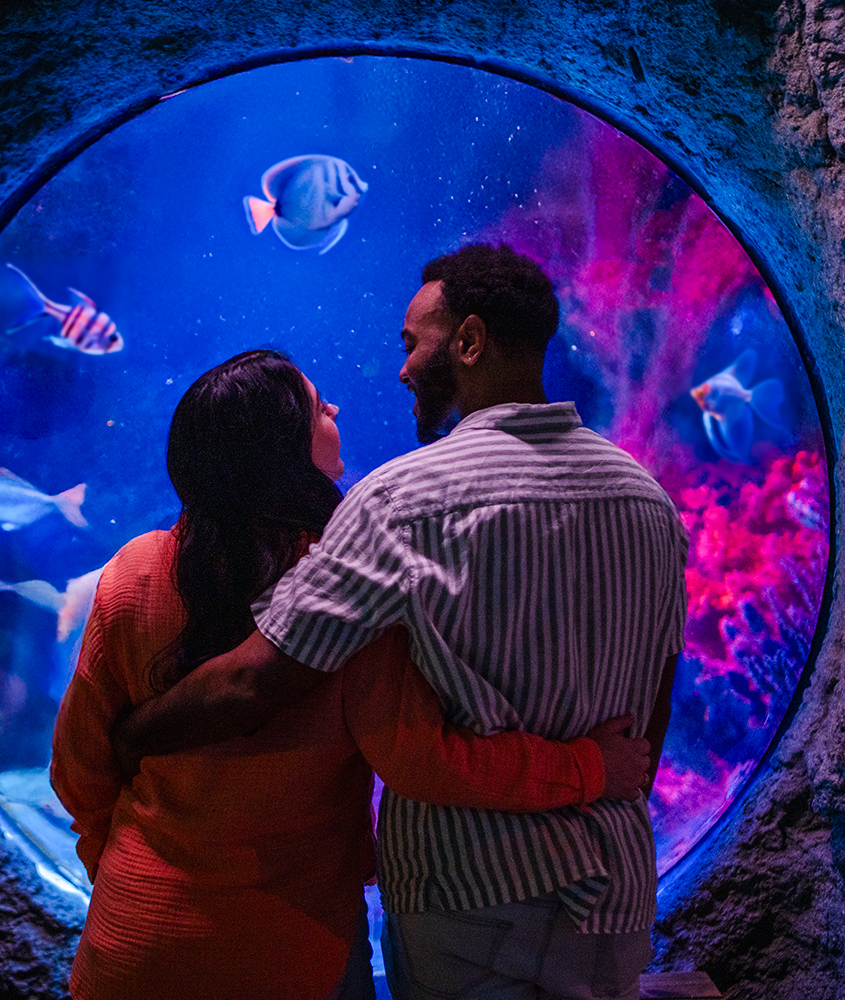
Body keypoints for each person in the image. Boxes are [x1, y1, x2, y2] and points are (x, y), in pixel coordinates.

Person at [112, 245, 690, 1000]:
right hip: (615, 898)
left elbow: (258, 679)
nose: (401, 370)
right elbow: (651, 714)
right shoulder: (647, 498)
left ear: (470, 342)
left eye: (412, 343)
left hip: (470, 898)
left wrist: (135, 731)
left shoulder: (402, 501)